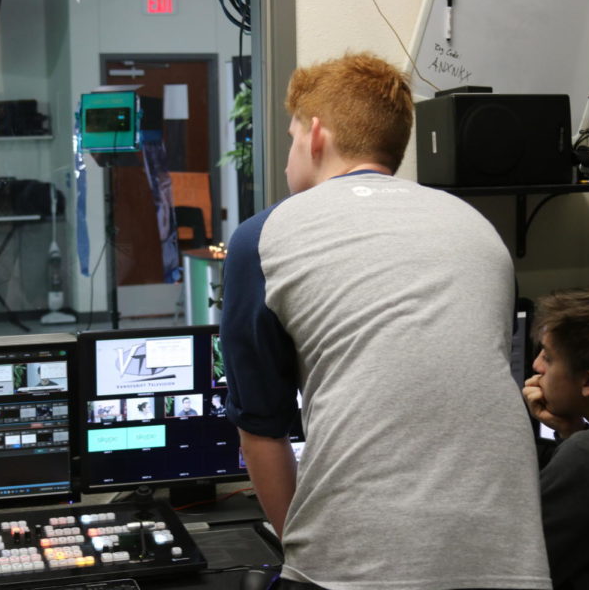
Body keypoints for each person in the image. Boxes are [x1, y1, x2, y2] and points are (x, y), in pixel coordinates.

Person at [220, 52, 551, 589]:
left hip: (356, 568)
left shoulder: (265, 236)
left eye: (290, 138)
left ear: (318, 134)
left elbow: (261, 432)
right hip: (511, 558)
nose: (287, 161)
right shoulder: (478, 228)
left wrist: (299, 555)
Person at [522, 286, 589, 590]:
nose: (536, 366)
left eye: (548, 358)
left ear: (588, 382)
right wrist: (569, 430)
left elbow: (527, 563)